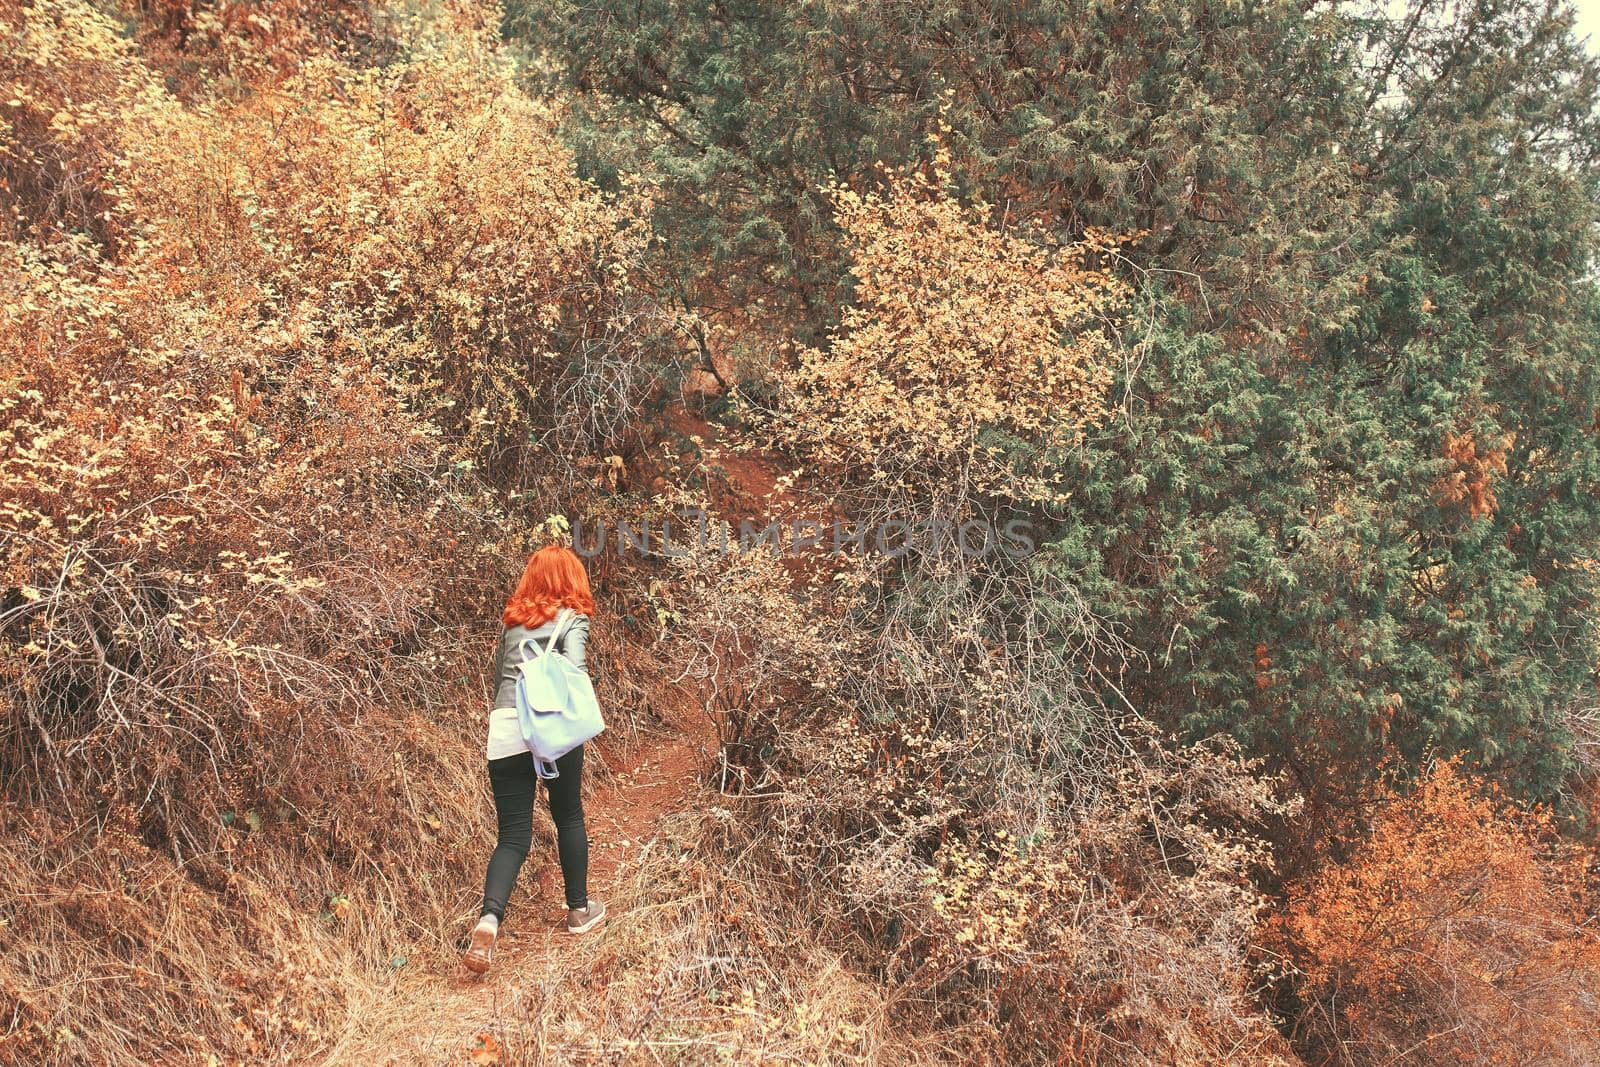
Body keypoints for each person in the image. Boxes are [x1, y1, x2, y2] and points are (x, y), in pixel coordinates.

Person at [464, 545, 606, 975]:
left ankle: (489, 920)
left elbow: (498, 684)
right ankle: (579, 910)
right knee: (567, 815)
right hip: (550, 727)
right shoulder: (571, 619)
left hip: (506, 726)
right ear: (571, 579)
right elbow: (575, 670)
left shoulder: (511, 625)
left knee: (512, 835)